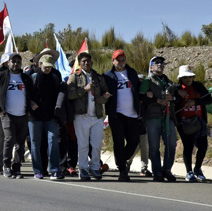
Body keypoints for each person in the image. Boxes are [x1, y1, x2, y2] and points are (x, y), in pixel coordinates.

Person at [67, 52, 111, 181]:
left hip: (96, 116)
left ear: (91, 62)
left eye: (88, 61)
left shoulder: (97, 77)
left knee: (97, 144)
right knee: (83, 145)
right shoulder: (75, 77)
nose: (86, 63)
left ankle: (95, 168)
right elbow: (70, 94)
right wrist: (83, 90)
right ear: (79, 64)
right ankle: (84, 169)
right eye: (83, 61)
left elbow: (104, 94)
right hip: (81, 116)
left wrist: (103, 98)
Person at [0, 53, 34, 179]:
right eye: (13, 61)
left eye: (18, 61)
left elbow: (32, 94)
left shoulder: (26, 78)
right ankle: (6, 166)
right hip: (7, 115)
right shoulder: (1, 77)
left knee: (20, 143)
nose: (15, 64)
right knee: (9, 140)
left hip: (23, 115)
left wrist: (29, 110)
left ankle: (17, 167)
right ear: (8, 62)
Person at [104, 50, 141, 181]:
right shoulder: (108, 75)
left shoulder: (132, 72)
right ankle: (122, 170)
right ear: (112, 61)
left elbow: (138, 87)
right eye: (117, 60)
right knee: (118, 142)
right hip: (116, 114)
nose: (120, 63)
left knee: (134, 141)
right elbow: (103, 91)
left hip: (132, 114)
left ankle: (121, 159)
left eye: (123, 60)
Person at [139, 56, 177, 182]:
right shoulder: (147, 81)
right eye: (157, 63)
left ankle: (167, 169)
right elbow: (141, 97)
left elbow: (178, 98)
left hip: (168, 117)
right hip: (152, 117)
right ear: (151, 67)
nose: (160, 65)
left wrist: (173, 98)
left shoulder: (170, 82)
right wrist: (155, 99)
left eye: (162, 63)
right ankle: (157, 172)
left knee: (171, 144)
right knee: (154, 147)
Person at [29, 53, 66, 180]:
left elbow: (60, 92)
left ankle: (55, 169)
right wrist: (30, 103)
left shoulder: (55, 77)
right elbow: (24, 93)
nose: (48, 69)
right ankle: (38, 170)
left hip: (51, 116)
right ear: (40, 65)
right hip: (34, 117)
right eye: (45, 67)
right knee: (35, 143)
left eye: (50, 67)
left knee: (53, 141)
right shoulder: (32, 77)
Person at [174, 65, 212, 182]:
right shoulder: (177, 88)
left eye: (190, 77)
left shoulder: (198, 86)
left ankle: (198, 169)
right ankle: (189, 172)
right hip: (183, 123)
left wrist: (195, 102)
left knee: (203, 146)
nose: (188, 79)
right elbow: (171, 98)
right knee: (188, 146)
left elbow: (208, 99)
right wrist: (177, 93)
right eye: (185, 77)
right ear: (180, 78)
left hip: (199, 122)